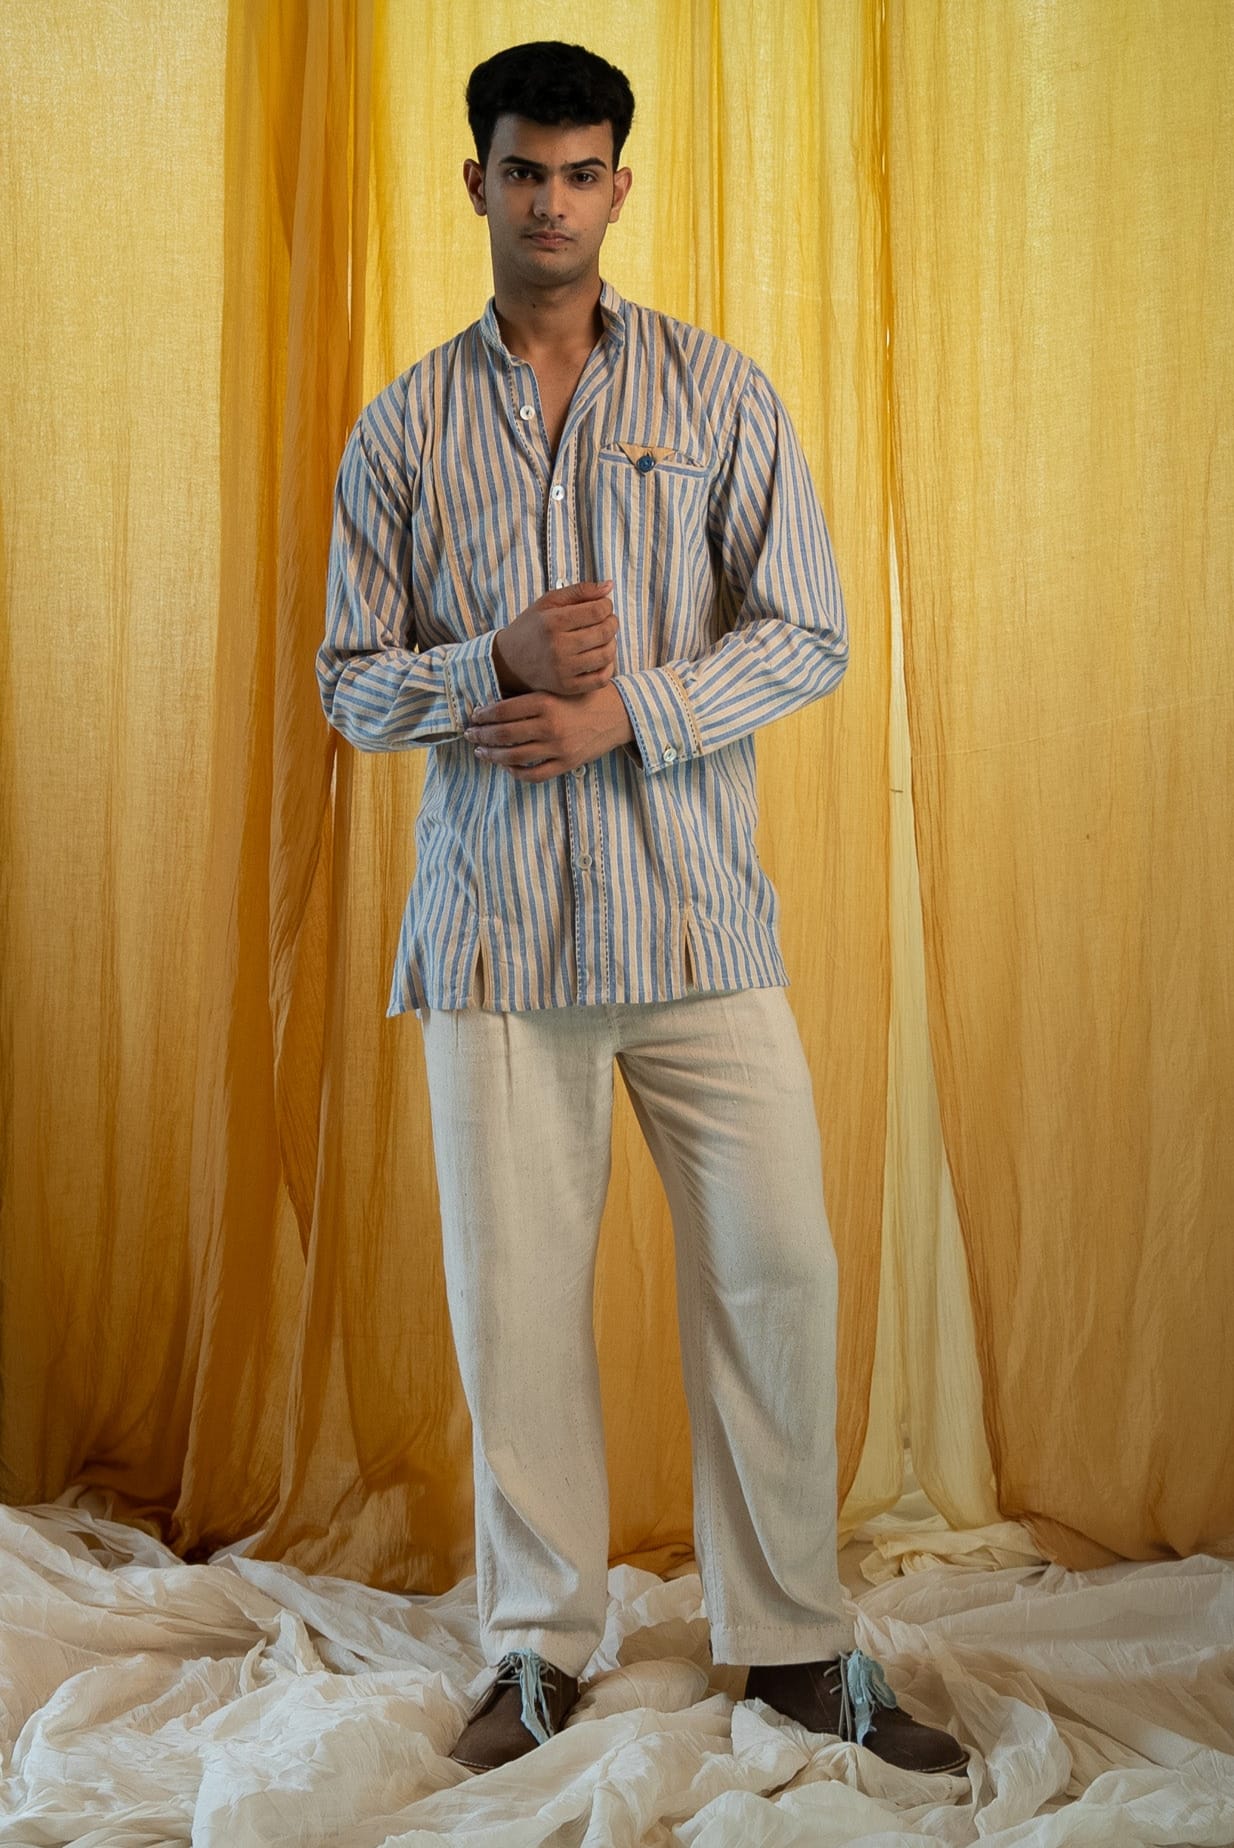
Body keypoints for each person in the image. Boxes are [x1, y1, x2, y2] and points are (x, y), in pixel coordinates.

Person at [317, 39, 966, 1781]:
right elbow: (349, 684)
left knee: (776, 1272)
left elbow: (808, 629)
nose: (552, 202)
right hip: (497, 941)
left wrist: (625, 712)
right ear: (477, 182)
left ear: (619, 185)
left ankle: (794, 1647)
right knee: (514, 1307)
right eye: (523, 171)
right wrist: (492, 660)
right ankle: (534, 1651)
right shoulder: (404, 424)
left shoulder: (719, 393)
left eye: (581, 171)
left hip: (694, 925)